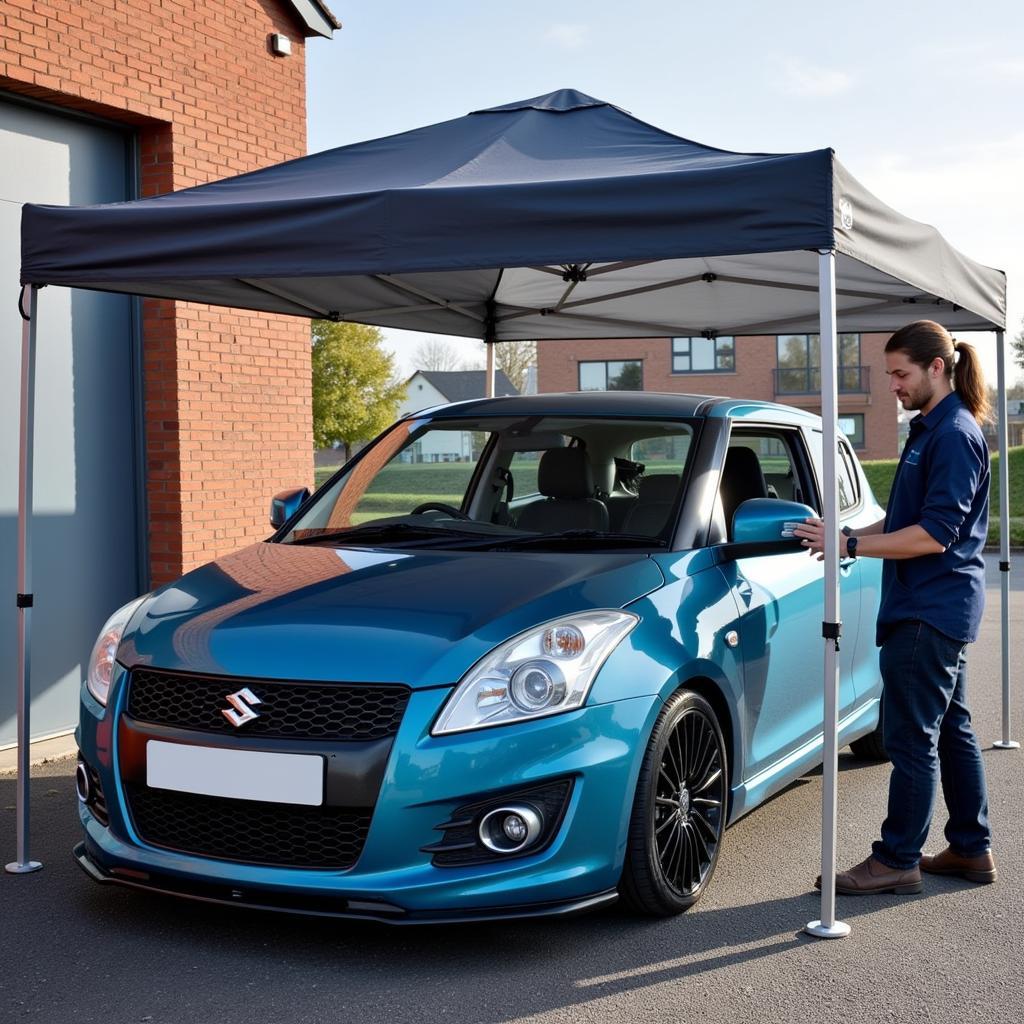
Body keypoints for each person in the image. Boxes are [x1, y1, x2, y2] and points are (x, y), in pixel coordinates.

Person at [794, 320, 996, 895]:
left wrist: (851, 546)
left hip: (928, 610)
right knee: (952, 729)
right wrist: (841, 532)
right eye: (889, 375)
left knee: (912, 740)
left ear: (938, 367)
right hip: (935, 606)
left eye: (901, 374)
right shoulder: (930, 430)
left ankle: (898, 858)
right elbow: (905, 520)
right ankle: (969, 849)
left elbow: (934, 534)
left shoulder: (954, 433)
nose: (893, 386)